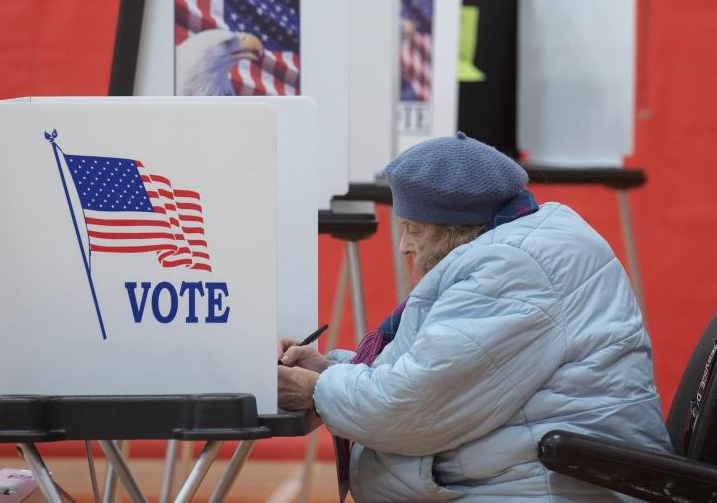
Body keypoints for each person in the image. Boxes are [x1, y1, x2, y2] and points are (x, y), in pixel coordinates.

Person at [278, 133, 672, 501]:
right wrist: (328, 368)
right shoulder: (524, 244)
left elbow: (409, 408)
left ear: (454, 229)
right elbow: (427, 372)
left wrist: (317, 389)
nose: (403, 246)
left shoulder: (512, 270)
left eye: (412, 228)